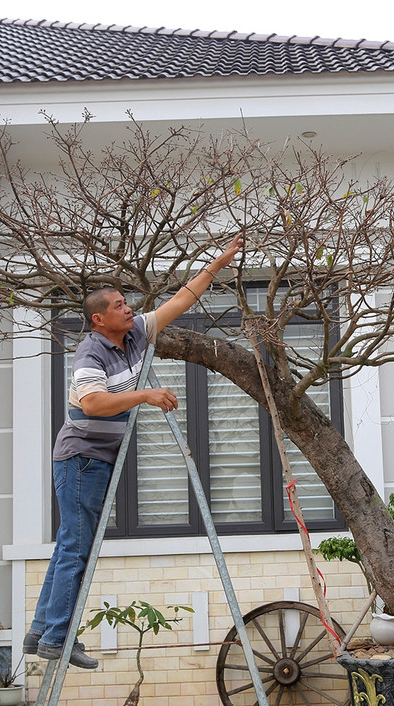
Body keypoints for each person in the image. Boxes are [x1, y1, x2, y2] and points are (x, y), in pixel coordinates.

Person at [24, 233, 244, 667]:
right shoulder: (92, 351)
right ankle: (58, 638)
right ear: (98, 320)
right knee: (76, 548)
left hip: (94, 461)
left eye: (127, 303)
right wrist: (145, 396)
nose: (129, 308)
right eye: (119, 306)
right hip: (81, 459)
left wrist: (219, 263)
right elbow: (92, 403)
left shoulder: (135, 335)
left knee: (70, 544)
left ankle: (40, 632)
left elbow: (180, 301)